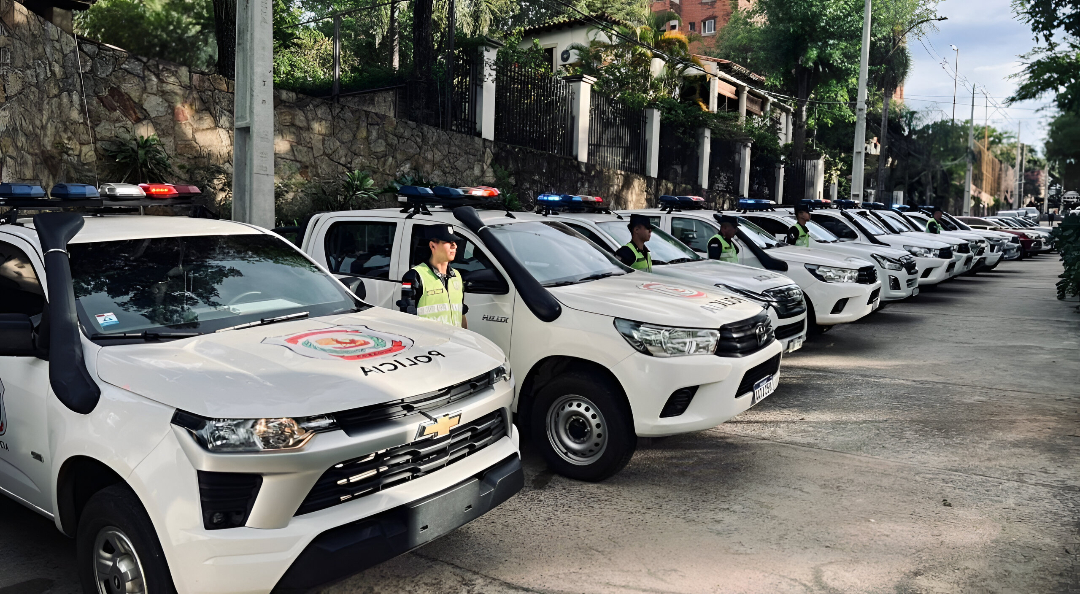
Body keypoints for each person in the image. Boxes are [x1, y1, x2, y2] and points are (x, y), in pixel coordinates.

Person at [400, 225, 468, 328]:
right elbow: (407, 318)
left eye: (454, 242)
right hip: (427, 342)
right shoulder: (415, 276)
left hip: (454, 341)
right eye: (448, 242)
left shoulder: (457, 276)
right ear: (432, 246)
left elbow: (461, 314)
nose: (454, 246)